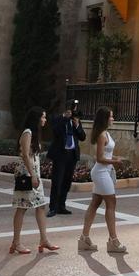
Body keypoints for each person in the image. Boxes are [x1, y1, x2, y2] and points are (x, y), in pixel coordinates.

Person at [78, 107, 128, 254]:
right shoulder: (101, 135)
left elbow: (106, 154)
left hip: (104, 171)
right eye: (111, 117)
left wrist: (115, 159)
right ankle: (113, 240)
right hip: (101, 172)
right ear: (105, 118)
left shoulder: (105, 133)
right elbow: (99, 158)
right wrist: (115, 162)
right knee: (111, 203)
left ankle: (84, 239)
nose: (113, 119)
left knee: (95, 203)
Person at [11, 107, 59, 254]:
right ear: (37, 118)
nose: (45, 120)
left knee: (41, 206)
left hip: (33, 176)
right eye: (43, 117)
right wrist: (32, 175)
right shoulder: (28, 132)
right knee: (22, 207)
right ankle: (16, 242)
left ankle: (44, 240)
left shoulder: (33, 133)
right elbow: (25, 155)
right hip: (27, 176)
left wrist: (35, 175)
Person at [46, 104, 85, 217]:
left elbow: (82, 137)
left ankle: (61, 206)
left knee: (67, 182)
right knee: (57, 182)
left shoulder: (76, 121)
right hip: (60, 155)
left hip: (72, 155)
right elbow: (55, 131)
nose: (73, 112)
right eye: (72, 110)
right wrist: (64, 118)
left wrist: (77, 125)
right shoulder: (58, 119)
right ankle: (53, 207)